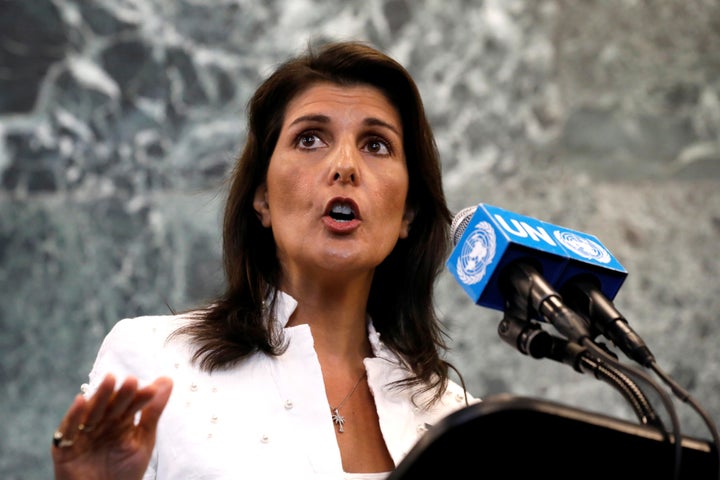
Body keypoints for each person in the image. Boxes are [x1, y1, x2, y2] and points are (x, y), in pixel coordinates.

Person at [50, 40, 478, 480]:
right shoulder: (153, 362)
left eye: (376, 144)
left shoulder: (454, 420)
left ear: (408, 213)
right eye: (310, 139)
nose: (346, 165)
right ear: (262, 198)